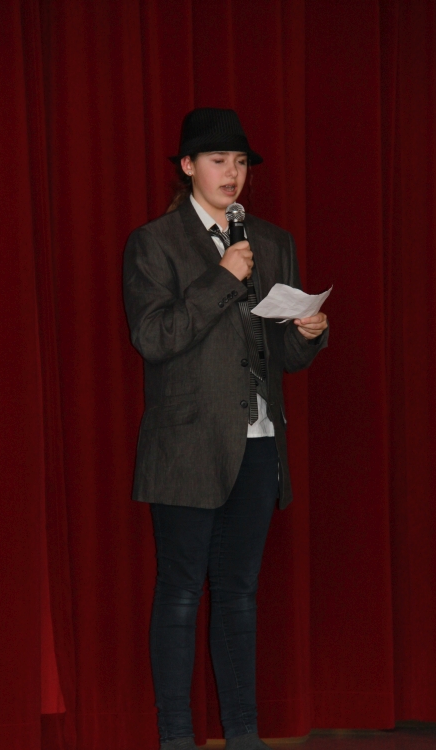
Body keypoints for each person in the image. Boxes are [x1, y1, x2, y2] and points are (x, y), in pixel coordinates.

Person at [123, 108, 329, 750]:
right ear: (188, 167)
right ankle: (176, 737)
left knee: (239, 593)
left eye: (240, 163)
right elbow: (154, 338)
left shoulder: (272, 241)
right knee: (182, 592)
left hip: (260, 441)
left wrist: (308, 334)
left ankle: (243, 733)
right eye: (218, 161)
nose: (232, 173)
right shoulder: (154, 243)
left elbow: (282, 357)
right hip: (186, 447)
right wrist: (221, 278)